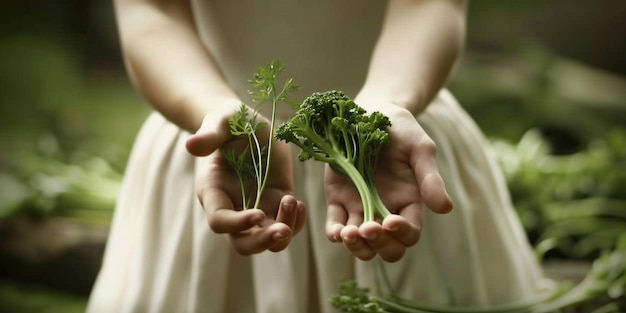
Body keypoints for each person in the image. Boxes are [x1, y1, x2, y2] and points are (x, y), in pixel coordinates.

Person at [87, 0, 553, 312]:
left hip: (390, 141)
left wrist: (383, 107)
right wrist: (211, 110)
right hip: (227, 145)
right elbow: (149, 13)